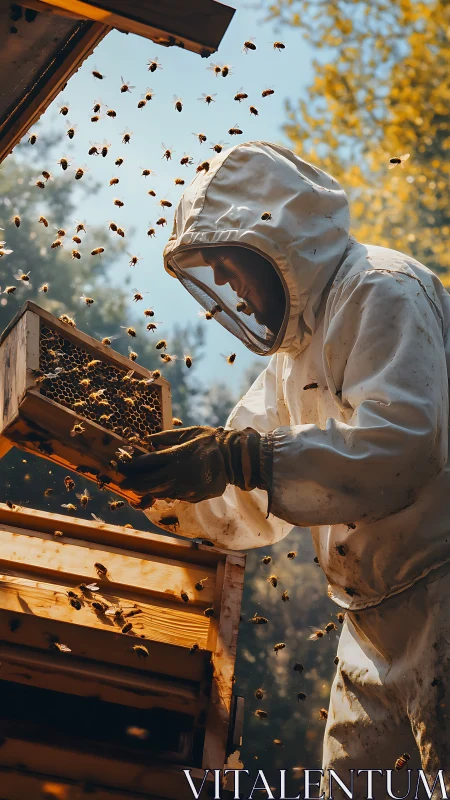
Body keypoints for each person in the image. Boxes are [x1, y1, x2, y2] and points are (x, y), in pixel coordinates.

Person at [122, 141, 450, 794]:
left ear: (270, 236)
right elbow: (245, 493)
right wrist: (148, 487)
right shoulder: (289, 363)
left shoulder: (383, 288)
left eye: (228, 265)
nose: (227, 288)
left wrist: (241, 457)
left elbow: (403, 447)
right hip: (369, 625)